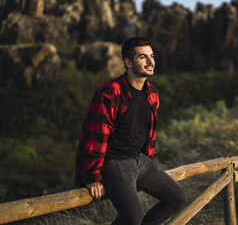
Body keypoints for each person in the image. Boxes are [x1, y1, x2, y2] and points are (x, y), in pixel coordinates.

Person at [74, 37, 186, 225]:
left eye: (151, 56)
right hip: (115, 162)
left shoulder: (152, 94)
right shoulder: (111, 92)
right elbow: (93, 137)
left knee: (177, 199)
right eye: (143, 57)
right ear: (128, 62)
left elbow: (148, 133)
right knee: (133, 218)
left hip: (140, 160)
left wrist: (148, 158)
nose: (151, 62)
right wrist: (93, 176)